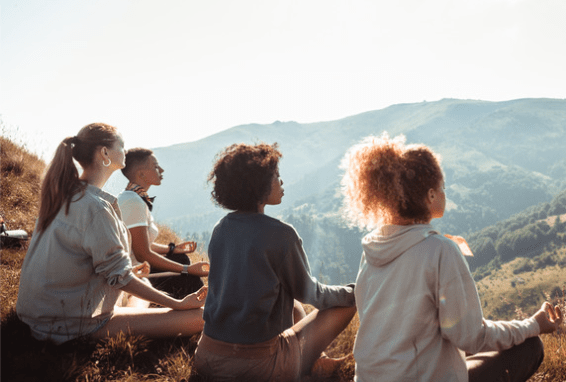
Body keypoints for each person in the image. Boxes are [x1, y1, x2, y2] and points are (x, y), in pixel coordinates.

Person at [340, 133, 563, 382]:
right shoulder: (439, 250)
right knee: (530, 347)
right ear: (431, 195)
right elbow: (471, 337)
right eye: (443, 186)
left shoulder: (372, 250)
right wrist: (533, 325)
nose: (446, 192)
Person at [16, 123, 205, 345]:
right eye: (121, 146)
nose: (125, 151)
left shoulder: (64, 196)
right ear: (104, 153)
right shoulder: (95, 207)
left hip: (36, 315)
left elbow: (78, 260)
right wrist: (178, 304)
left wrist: (130, 272)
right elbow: (120, 277)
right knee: (201, 316)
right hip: (67, 325)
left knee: (141, 285)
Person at [193, 142, 357, 382]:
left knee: (294, 308)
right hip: (256, 367)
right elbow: (313, 294)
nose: (282, 183)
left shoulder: (221, 227)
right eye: (277, 177)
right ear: (258, 186)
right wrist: (356, 290)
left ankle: (317, 361)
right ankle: (305, 369)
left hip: (206, 356)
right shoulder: (281, 234)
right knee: (346, 304)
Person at [118, 148, 208, 299]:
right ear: (141, 174)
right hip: (136, 273)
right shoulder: (133, 202)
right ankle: (198, 316)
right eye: (155, 166)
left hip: (139, 268)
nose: (161, 170)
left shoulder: (131, 197)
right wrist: (188, 269)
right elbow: (141, 253)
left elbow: (138, 243)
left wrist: (172, 249)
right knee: (187, 275)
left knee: (180, 258)